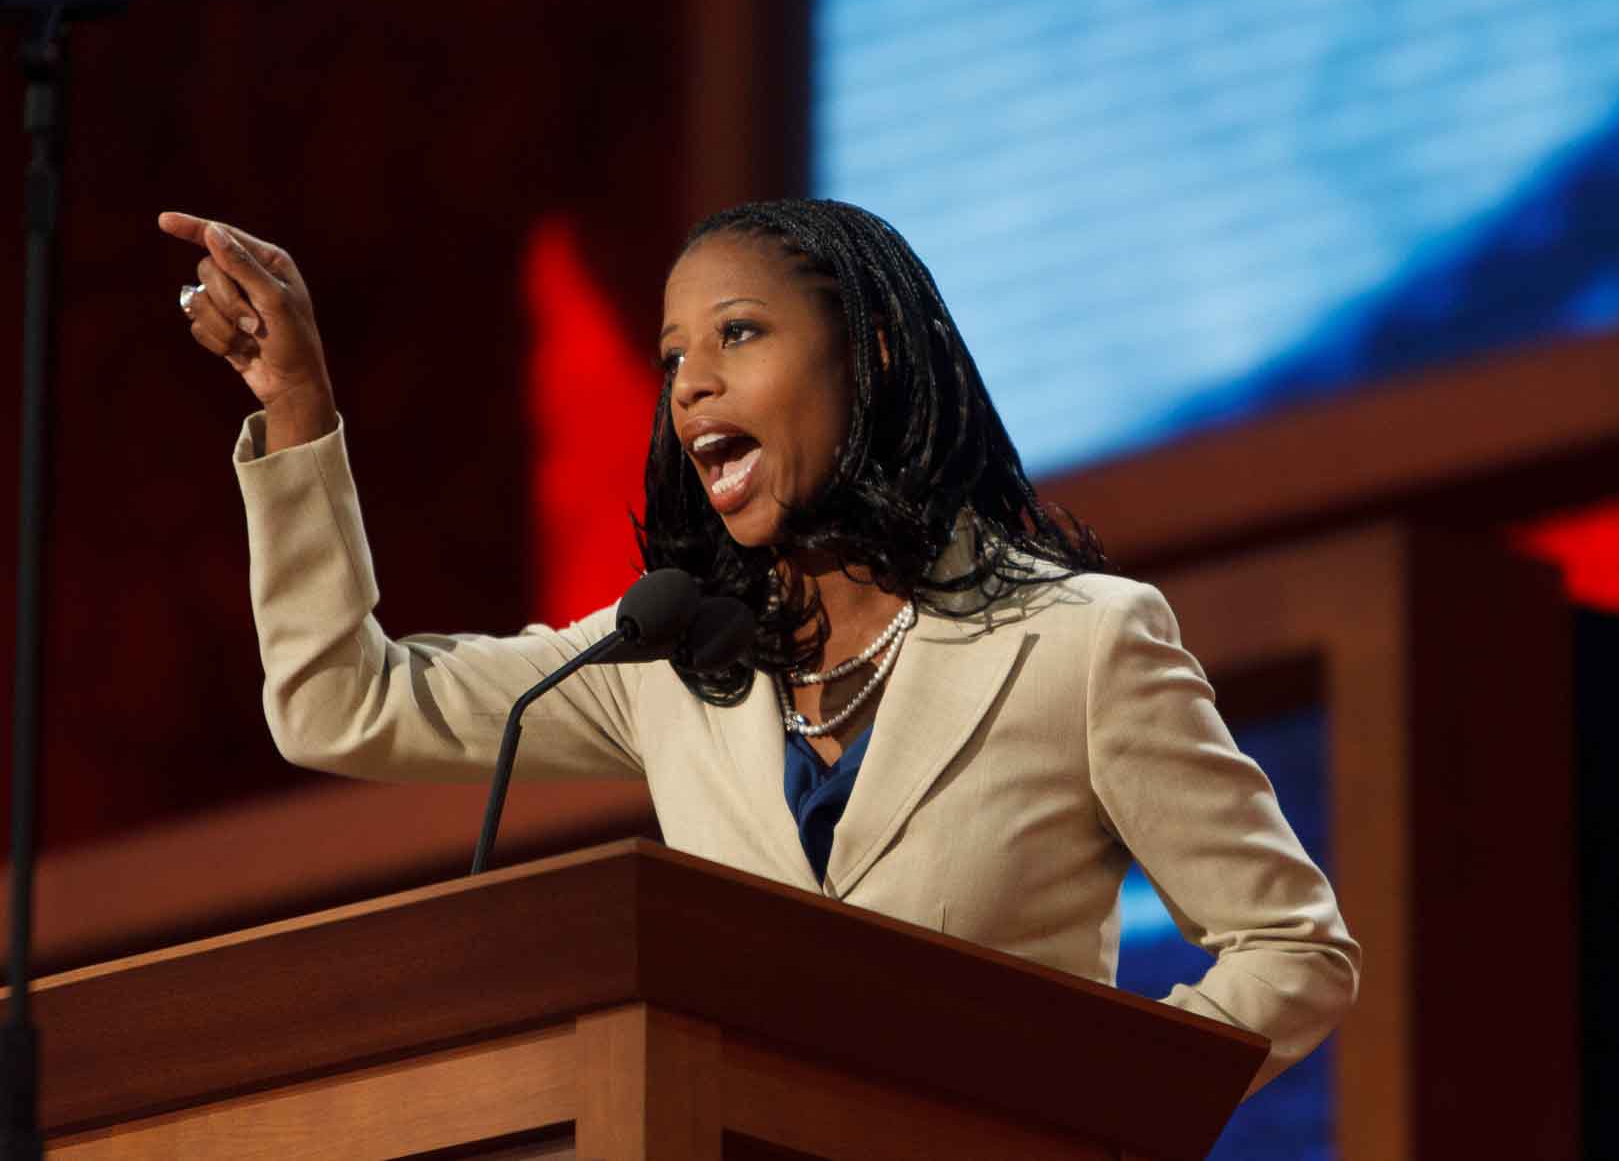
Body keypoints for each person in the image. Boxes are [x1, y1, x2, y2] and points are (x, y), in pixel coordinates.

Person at [159, 198, 1358, 1097]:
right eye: (673, 355)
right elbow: (339, 704)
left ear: (871, 355)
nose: (690, 384)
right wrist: (301, 405)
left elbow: (1293, 947)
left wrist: (1097, 1109)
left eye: (738, 334)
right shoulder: (674, 663)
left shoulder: (1080, 644)